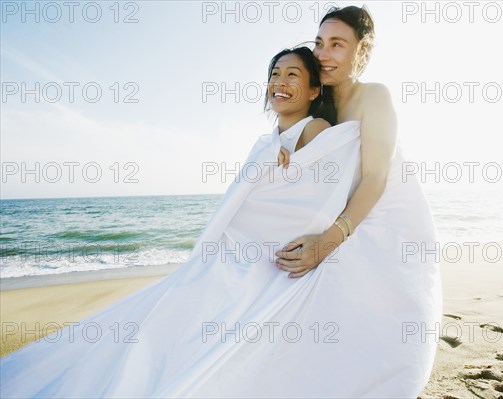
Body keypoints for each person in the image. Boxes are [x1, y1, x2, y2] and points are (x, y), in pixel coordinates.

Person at [0, 47, 366, 398]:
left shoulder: (314, 129)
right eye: (274, 74)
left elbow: (326, 187)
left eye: (293, 75)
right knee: (158, 325)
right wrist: (272, 153)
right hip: (225, 256)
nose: (279, 82)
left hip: (254, 263)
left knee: (175, 329)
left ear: (314, 89)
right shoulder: (266, 142)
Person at [273, 5, 444, 397]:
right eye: (318, 43)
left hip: (389, 217)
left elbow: (376, 176)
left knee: (381, 325)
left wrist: (327, 242)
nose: (322, 54)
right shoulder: (319, 106)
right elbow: (290, 131)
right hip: (345, 211)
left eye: (337, 44)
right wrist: (280, 146)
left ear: (361, 51)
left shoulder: (375, 97)